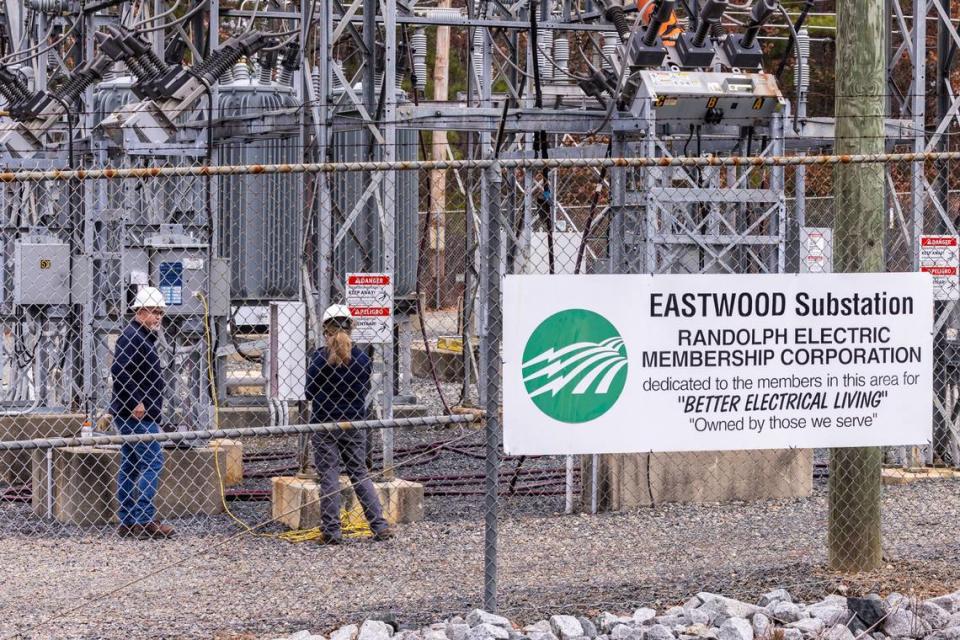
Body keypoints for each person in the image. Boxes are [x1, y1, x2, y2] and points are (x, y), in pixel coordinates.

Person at [306, 304, 393, 545]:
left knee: (329, 476)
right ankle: (379, 525)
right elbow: (363, 388)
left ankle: (332, 531)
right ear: (351, 327)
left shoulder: (319, 358)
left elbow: (309, 391)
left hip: (324, 423)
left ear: (326, 330)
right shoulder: (363, 359)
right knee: (359, 473)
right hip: (354, 421)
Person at [111, 286, 175, 540]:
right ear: (140, 311)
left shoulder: (140, 336)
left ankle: (128, 521)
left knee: (131, 465)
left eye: (160, 312)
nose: (158, 317)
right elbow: (120, 370)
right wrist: (136, 401)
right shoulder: (133, 337)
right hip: (137, 415)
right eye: (153, 312)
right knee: (152, 461)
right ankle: (144, 519)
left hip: (130, 413)